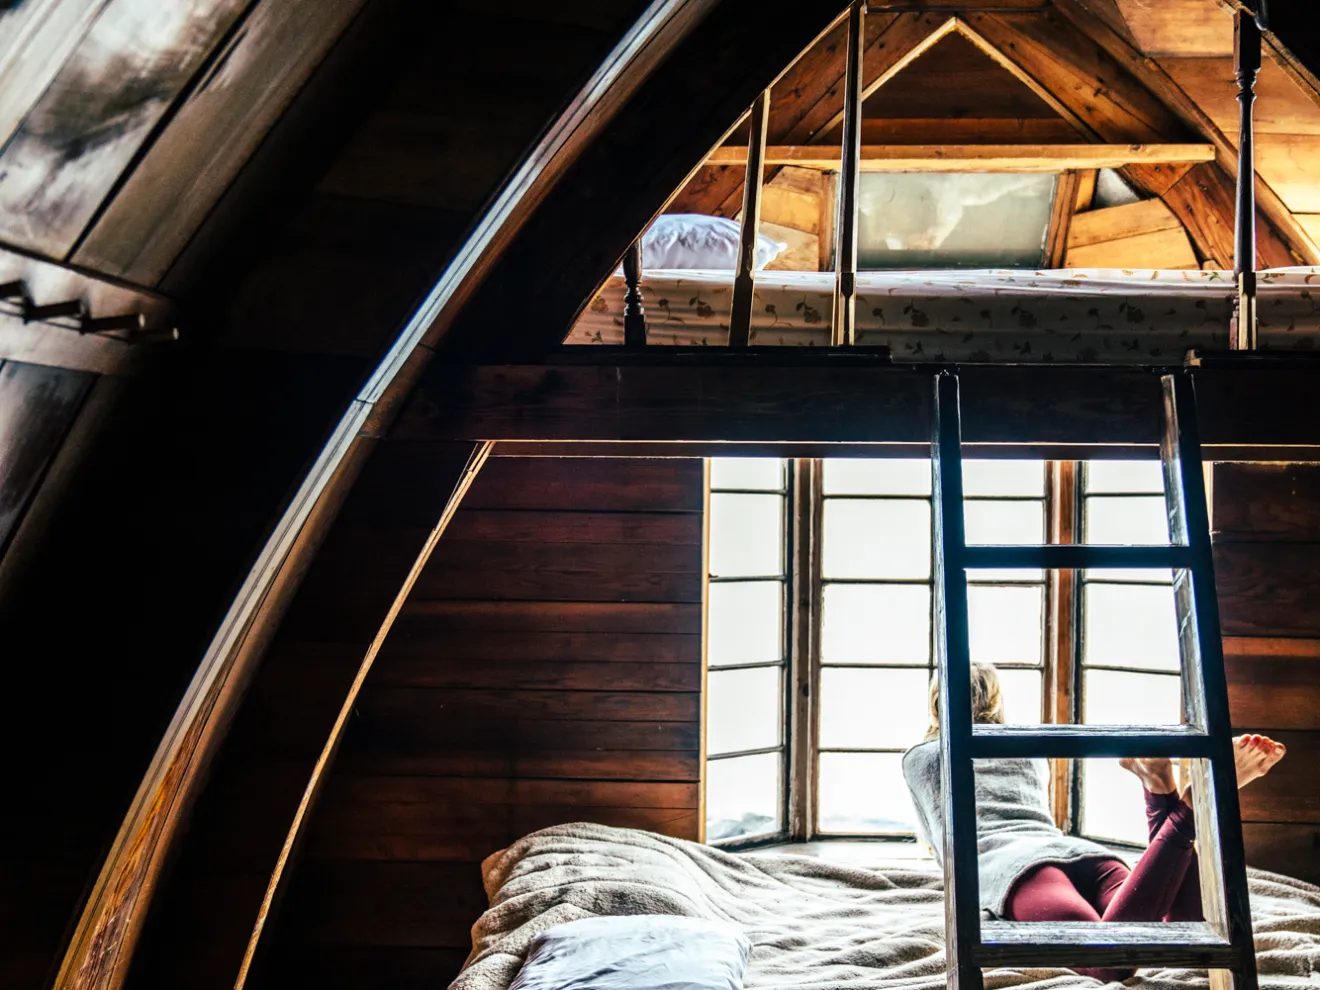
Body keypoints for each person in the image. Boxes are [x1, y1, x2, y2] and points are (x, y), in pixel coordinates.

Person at [902, 661, 1286, 983]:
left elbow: (943, 849)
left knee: (1105, 961)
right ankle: (1161, 792)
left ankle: (1186, 811)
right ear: (997, 700)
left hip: (1014, 868)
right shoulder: (1028, 752)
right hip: (1077, 852)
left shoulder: (921, 759)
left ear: (936, 703)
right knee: (1186, 925)